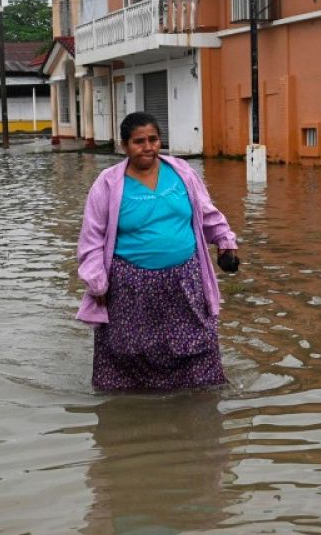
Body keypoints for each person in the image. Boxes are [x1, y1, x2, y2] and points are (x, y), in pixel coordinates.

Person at [76, 111, 239, 392]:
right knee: (129, 349)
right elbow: (92, 238)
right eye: (139, 141)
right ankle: (135, 409)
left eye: (153, 139)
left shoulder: (182, 172)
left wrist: (225, 243)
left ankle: (199, 398)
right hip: (130, 287)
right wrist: (97, 281)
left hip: (185, 280)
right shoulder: (108, 183)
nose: (148, 147)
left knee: (198, 340)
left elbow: (206, 213)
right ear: (124, 145)